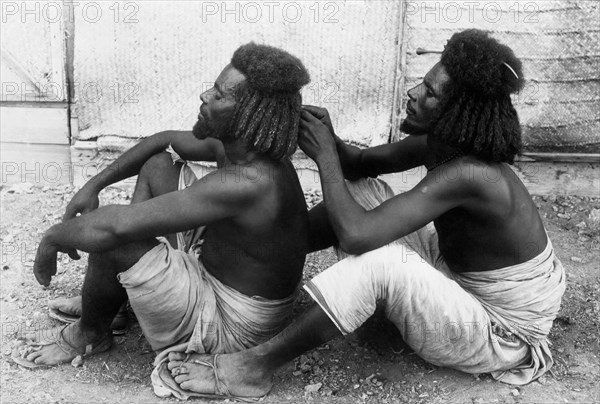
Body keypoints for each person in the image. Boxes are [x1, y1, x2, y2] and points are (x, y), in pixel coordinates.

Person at [161, 29, 566, 399]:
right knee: (362, 191)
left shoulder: (471, 174)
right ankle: (269, 264)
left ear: (458, 113)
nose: (412, 92)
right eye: (421, 84)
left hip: (503, 331)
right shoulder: (440, 143)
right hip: (458, 279)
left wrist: (323, 156)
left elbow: (355, 236)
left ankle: (254, 367)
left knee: (381, 262)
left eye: (429, 93)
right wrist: (330, 137)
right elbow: (357, 165)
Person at [14, 43, 311, 400]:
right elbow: (165, 141)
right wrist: (94, 184)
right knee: (158, 166)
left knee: (115, 240)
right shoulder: (238, 149)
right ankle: (118, 300)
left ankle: (89, 335)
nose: (205, 95)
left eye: (218, 95)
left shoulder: (250, 180)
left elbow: (116, 227)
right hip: (223, 282)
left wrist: (53, 237)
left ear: (246, 114)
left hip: (235, 324)